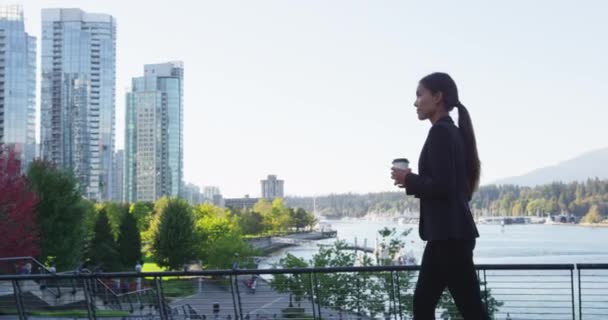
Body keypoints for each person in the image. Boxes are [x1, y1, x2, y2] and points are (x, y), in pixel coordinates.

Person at [391, 72, 486, 319]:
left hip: (448, 237)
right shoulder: (452, 132)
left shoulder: (441, 133)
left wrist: (408, 179)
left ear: (437, 97)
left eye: (419, 95)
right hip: (450, 235)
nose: (415, 102)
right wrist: (413, 181)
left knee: (452, 308)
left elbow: (443, 186)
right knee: (430, 305)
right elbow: (452, 185)